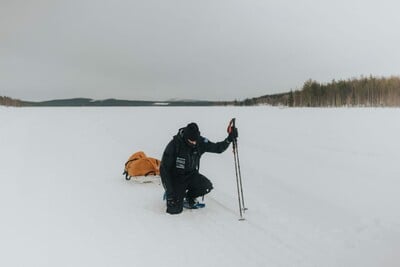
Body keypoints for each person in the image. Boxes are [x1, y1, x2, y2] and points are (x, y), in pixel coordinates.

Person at [160, 122, 238, 215]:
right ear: (185, 137)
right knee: (174, 210)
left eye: (195, 140)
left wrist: (229, 139)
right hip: (177, 178)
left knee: (207, 186)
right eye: (191, 141)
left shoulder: (199, 141)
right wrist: (169, 192)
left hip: (191, 175)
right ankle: (174, 194)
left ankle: (189, 198)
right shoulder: (174, 145)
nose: (194, 143)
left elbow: (217, 148)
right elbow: (164, 170)